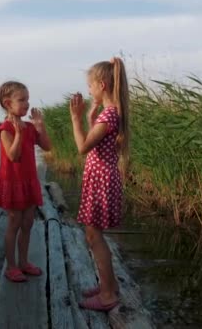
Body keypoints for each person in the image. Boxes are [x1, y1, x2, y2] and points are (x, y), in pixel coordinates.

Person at [69, 57, 130, 311]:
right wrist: (91, 115)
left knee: (94, 235)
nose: (89, 90)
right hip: (102, 178)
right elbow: (99, 140)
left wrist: (76, 118)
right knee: (94, 233)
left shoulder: (109, 115)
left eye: (91, 86)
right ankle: (110, 285)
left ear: (102, 85)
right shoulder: (110, 113)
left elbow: (83, 147)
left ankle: (107, 295)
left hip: (101, 180)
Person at [0, 81, 52, 282]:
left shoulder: (28, 126)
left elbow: (47, 147)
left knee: (27, 222)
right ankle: (11, 266)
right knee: (14, 222)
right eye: (22, 100)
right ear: (8, 103)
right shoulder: (6, 128)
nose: (27, 104)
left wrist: (40, 127)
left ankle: (24, 262)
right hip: (13, 182)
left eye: (28, 99)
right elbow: (13, 155)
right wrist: (18, 134)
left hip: (28, 181)